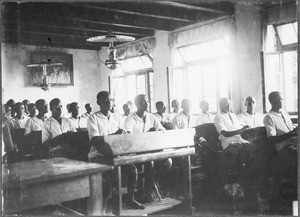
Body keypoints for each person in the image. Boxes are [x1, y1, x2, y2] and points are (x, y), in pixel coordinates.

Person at [86, 91, 143, 210]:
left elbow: (124, 136)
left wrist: (124, 135)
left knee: (133, 170)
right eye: (105, 100)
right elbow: (94, 139)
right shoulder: (93, 117)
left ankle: (130, 199)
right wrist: (113, 135)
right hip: (99, 155)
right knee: (111, 174)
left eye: (111, 100)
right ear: (98, 102)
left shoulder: (118, 117)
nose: (109, 102)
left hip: (116, 154)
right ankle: (104, 207)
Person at [124, 94, 172, 204]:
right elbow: (129, 139)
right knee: (149, 163)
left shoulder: (151, 117)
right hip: (135, 153)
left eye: (147, 101)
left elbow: (163, 130)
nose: (147, 103)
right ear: (137, 104)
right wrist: (147, 135)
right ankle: (148, 189)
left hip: (150, 151)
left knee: (168, 162)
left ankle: (151, 183)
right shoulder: (130, 119)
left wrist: (157, 131)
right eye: (144, 101)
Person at [213, 98, 254, 189]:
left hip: (239, 139)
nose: (229, 106)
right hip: (228, 142)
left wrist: (246, 128)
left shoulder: (233, 115)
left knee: (254, 148)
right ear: (220, 106)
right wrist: (242, 129)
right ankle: (239, 181)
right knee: (242, 151)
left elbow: (239, 129)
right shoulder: (218, 117)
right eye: (226, 104)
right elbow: (225, 133)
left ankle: (248, 179)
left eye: (230, 104)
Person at [263, 91, 297, 186]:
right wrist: (291, 134)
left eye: (281, 99)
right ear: (272, 101)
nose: (281, 101)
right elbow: (272, 139)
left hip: (294, 144)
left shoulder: (284, 113)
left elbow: (291, 128)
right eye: (278, 99)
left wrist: (295, 130)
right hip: (284, 149)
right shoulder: (269, 117)